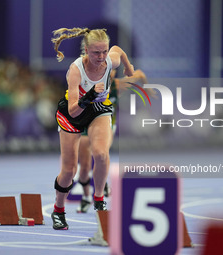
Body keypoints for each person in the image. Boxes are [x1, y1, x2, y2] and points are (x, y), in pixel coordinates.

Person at [51, 27, 134, 230]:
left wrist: (128, 67)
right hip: (73, 114)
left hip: (98, 109)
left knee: (101, 153)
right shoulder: (75, 70)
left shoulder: (109, 61)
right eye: (96, 52)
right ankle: (59, 209)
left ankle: (98, 198)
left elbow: (119, 51)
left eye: (104, 51)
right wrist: (88, 95)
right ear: (86, 51)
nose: (101, 57)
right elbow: (73, 111)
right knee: (69, 170)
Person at [76, 69, 152, 213]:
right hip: (86, 125)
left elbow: (140, 73)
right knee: (85, 167)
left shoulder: (117, 85)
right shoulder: (88, 84)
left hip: (107, 125)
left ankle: (102, 183)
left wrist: (147, 89)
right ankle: (86, 197)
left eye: (109, 69)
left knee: (102, 153)